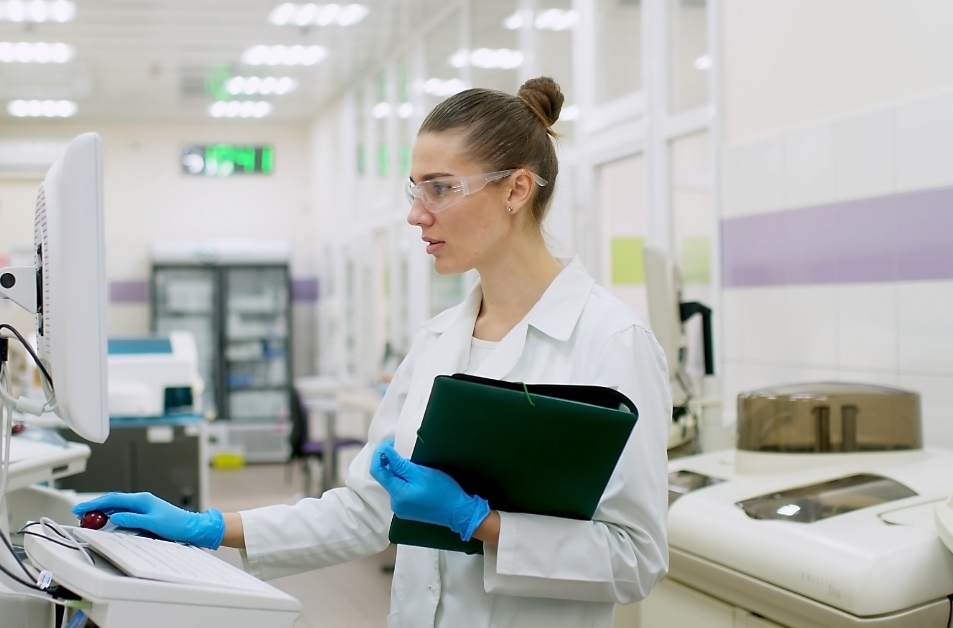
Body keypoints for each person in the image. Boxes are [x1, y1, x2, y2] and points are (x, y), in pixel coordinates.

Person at [73, 76, 671, 628]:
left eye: (441, 188)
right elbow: (366, 512)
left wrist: (479, 524)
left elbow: (637, 559)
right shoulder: (438, 339)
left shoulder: (612, 342)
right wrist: (208, 528)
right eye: (416, 189)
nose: (416, 213)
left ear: (516, 188)